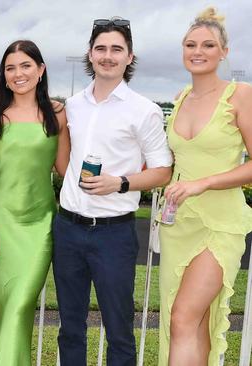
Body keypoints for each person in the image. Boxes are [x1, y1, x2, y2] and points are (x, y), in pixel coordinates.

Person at [53, 17, 172, 365]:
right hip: (68, 230)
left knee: (119, 329)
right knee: (70, 327)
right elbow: (64, 164)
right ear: (89, 54)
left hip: (114, 233)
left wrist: (119, 183)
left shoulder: (144, 110)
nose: (108, 55)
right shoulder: (72, 105)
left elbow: (163, 171)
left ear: (129, 57)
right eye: (101, 48)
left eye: (116, 49)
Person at [158, 7, 252, 365]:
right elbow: (171, 162)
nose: (198, 51)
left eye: (208, 45)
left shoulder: (240, 95)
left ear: (224, 52)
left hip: (220, 224)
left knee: (184, 315)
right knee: (190, 323)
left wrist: (204, 183)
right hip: (177, 224)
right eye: (190, 44)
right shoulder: (181, 98)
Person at [0, 39, 70, 366]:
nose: (18, 74)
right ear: (4, 76)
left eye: (25, 65)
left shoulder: (57, 113)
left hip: (38, 228)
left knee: (19, 309)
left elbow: (65, 169)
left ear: (41, 69)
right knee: (1, 312)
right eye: (10, 68)